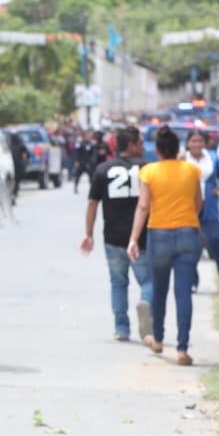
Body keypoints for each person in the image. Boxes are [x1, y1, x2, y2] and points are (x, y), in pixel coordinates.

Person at [128, 125, 202, 366]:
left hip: (158, 234)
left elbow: (143, 207)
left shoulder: (149, 172)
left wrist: (133, 239)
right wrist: (186, 219)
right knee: (184, 293)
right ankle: (182, 348)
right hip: (188, 234)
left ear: (157, 151)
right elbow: (198, 203)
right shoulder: (191, 170)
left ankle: (158, 339)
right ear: (178, 148)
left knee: (159, 290)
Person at [80, 126, 154, 341]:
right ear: (130, 146)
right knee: (150, 280)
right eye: (140, 143)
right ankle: (146, 303)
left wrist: (88, 234)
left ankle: (121, 327)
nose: (143, 147)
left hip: (112, 237)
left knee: (118, 283)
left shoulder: (103, 170)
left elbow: (93, 203)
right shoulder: (148, 169)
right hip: (141, 237)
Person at [183, 129, 219, 287]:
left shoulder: (212, 158)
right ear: (188, 143)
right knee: (191, 245)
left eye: (199, 141)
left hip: (209, 205)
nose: (196, 144)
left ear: (205, 143)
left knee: (215, 240)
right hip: (188, 206)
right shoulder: (183, 159)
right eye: (193, 141)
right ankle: (191, 281)